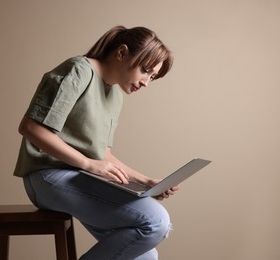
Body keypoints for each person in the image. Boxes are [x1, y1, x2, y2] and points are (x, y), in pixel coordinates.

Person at [14, 25, 178, 260]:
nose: (146, 83)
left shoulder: (115, 96)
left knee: (146, 257)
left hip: (80, 178)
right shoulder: (78, 70)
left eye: (152, 77)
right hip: (46, 177)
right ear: (121, 53)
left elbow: (103, 156)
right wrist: (88, 164)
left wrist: (146, 182)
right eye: (145, 70)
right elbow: (31, 128)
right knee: (156, 221)